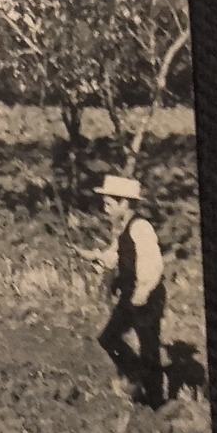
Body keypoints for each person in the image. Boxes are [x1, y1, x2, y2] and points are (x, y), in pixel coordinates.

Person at [77, 174, 168, 407]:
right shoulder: (123, 227)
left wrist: (144, 291)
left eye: (108, 203)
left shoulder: (141, 227)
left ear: (124, 203)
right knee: (108, 338)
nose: (105, 208)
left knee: (149, 347)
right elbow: (116, 254)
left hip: (147, 295)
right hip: (132, 294)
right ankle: (138, 375)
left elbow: (153, 263)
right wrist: (92, 255)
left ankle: (156, 404)